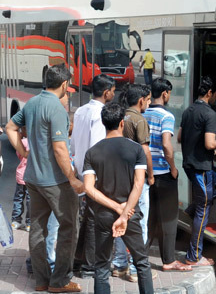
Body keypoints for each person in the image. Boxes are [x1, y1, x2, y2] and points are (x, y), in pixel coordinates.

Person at [5, 65, 83, 293]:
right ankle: (59, 281)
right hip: (55, 181)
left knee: (38, 229)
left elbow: (10, 127)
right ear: (65, 84)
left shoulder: (32, 102)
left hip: (33, 178)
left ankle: (41, 280)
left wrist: (24, 151)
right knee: (69, 227)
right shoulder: (57, 108)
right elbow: (60, 149)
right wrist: (72, 178)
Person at [83, 103, 154, 294]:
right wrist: (123, 213)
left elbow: (88, 188)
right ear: (122, 123)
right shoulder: (136, 150)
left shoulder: (93, 152)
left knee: (102, 265)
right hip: (130, 214)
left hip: (104, 215)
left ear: (104, 123)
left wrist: (115, 208)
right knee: (141, 262)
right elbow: (139, 184)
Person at [178, 76, 216, 267]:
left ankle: (191, 209)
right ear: (209, 93)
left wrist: (209, 149)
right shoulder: (210, 114)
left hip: (192, 166)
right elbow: (209, 143)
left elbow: (181, 137)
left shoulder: (188, 110)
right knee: (203, 210)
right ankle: (193, 256)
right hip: (201, 169)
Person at [72, 74, 117, 278]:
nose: (114, 94)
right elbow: (98, 148)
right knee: (92, 218)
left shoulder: (81, 110)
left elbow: (74, 144)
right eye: (113, 90)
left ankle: (79, 259)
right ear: (106, 91)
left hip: (80, 168)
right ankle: (89, 265)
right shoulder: (100, 113)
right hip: (93, 173)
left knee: (87, 217)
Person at [145, 78, 191, 272]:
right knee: (169, 219)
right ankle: (168, 260)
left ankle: (139, 259)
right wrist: (173, 168)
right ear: (164, 94)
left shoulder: (142, 113)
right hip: (163, 173)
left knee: (149, 218)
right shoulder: (166, 116)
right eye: (169, 93)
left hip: (145, 173)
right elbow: (166, 144)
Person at [112, 84, 155, 282]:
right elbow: (146, 151)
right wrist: (151, 175)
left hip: (120, 177)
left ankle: (120, 265)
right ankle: (137, 268)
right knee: (140, 223)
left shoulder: (121, 118)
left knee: (122, 219)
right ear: (141, 100)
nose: (149, 103)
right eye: (148, 99)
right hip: (138, 179)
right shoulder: (139, 120)